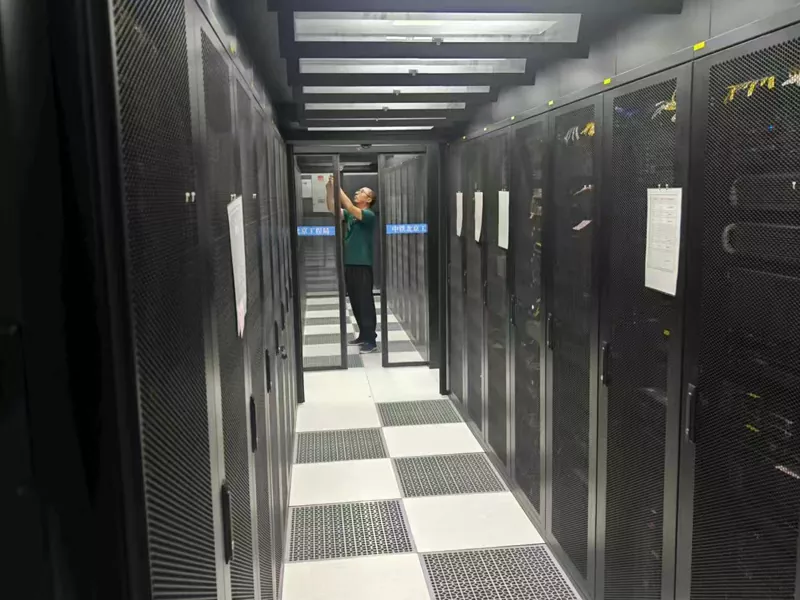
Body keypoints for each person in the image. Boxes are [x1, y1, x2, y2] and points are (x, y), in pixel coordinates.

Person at [326, 175, 378, 353]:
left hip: (363, 265)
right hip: (350, 264)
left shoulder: (368, 215)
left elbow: (348, 206)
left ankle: (371, 340)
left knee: (365, 302)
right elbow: (332, 207)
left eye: (361, 192)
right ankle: (363, 335)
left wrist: (338, 187)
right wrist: (329, 189)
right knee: (355, 301)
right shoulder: (351, 215)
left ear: (368, 200)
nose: (357, 192)